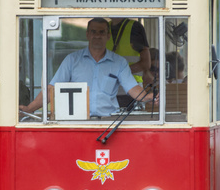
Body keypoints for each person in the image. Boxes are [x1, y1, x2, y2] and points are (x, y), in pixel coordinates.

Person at [20, 18, 156, 117]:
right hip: (78, 124)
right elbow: (51, 89)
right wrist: (29, 108)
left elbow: (132, 87)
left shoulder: (119, 63)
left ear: (108, 36)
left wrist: (148, 97)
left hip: (108, 124)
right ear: (87, 34)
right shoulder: (72, 60)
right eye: (94, 32)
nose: (97, 35)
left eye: (102, 32)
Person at [108, 17, 152, 85]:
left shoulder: (134, 27)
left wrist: (118, 73)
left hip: (132, 86)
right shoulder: (105, 28)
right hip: (109, 86)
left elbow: (146, 63)